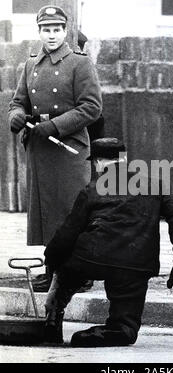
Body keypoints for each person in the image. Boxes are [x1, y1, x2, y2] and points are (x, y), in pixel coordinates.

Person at [43, 138, 173, 347]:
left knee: (67, 271)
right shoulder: (155, 184)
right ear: (125, 160)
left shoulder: (92, 189)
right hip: (135, 263)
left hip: (91, 257)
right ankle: (119, 328)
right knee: (126, 324)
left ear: (97, 163)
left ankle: (53, 314)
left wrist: (52, 261)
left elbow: (67, 234)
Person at [8, 5, 102, 292]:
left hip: (68, 147)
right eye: (46, 30)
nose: (51, 35)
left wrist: (57, 125)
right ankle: (53, 271)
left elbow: (92, 107)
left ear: (65, 32)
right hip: (40, 147)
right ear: (39, 32)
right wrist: (15, 116)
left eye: (57, 30)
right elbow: (18, 101)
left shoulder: (79, 63)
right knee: (48, 212)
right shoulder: (31, 64)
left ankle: (80, 273)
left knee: (71, 210)